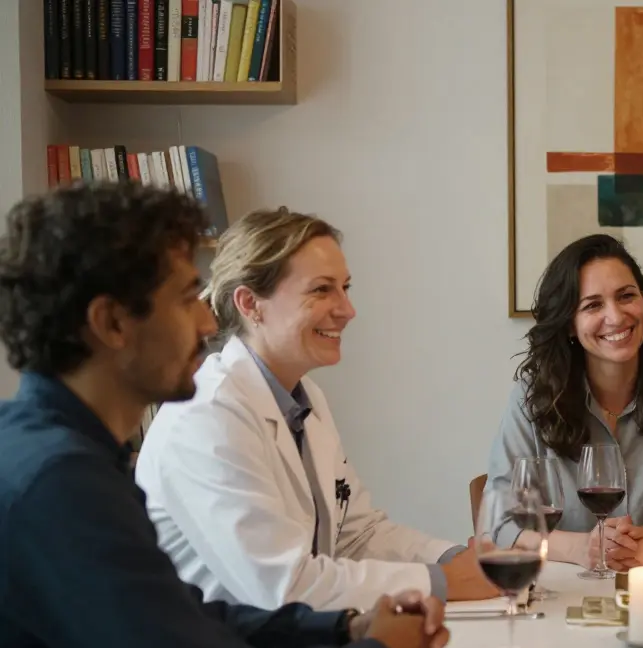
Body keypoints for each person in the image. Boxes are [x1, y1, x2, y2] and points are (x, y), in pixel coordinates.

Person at [0, 183, 451, 648]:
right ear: (112, 323)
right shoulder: (61, 483)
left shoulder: (62, 456)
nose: (208, 322)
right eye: (186, 297)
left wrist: (342, 628)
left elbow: (186, 620)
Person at [135, 207, 498, 610]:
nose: (347, 309)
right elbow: (282, 585)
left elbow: (356, 535)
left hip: (286, 634)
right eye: (322, 290)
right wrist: (444, 581)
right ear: (251, 303)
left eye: (345, 287)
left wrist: (456, 559)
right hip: (215, 643)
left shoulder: (305, 398)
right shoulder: (206, 415)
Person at [487, 233, 643, 569]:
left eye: (626, 296)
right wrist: (580, 549)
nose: (617, 317)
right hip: (561, 590)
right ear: (569, 324)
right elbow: (498, 524)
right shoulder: (531, 398)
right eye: (593, 305)